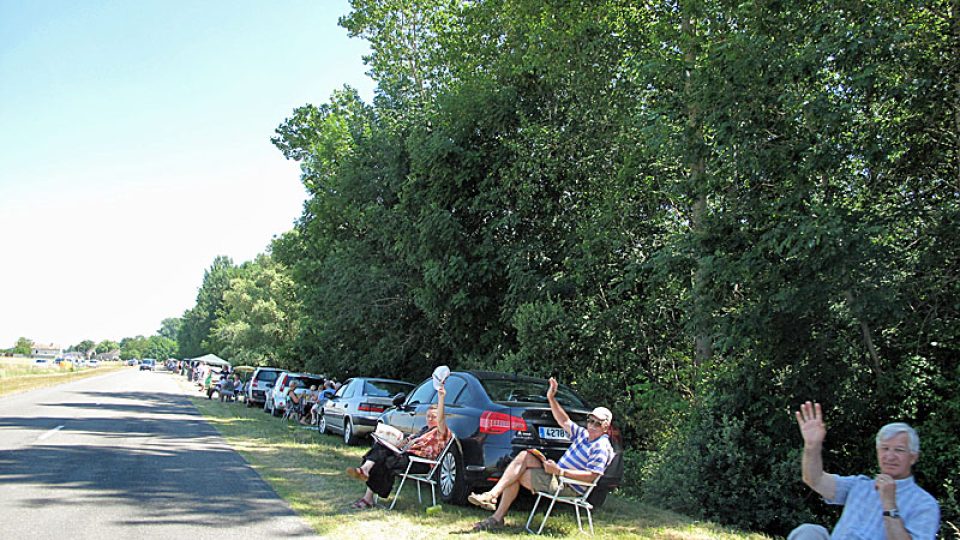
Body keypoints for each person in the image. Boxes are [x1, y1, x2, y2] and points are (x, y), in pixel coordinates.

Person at [467, 377, 615, 531]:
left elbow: (592, 476)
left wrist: (560, 471)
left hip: (568, 486)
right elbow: (563, 420)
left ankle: (495, 513)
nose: (592, 426)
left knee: (517, 474)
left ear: (606, 427)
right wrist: (551, 397)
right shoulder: (584, 435)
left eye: (597, 424)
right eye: (590, 421)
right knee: (524, 456)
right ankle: (493, 497)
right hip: (557, 476)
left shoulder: (601, 446)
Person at [789, 401, 940, 540]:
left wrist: (889, 504)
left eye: (899, 450)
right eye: (885, 448)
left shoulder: (924, 504)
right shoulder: (860, 485)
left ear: (913, 457)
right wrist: (812, 446)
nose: (890, 456)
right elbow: (814, 479)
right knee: (809, 532)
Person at [345, 383, 450, 509]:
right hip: (406, 455)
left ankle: (367, 495)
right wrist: (397, 442)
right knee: (380, 448)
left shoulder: (441, 431)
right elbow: (405, 443)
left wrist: (441, 397)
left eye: (433, 417)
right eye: (427, 416)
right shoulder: (424, 430)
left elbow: (441, 420)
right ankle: (366, 471)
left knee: (384, 461)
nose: (429, 419)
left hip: (420, 463)